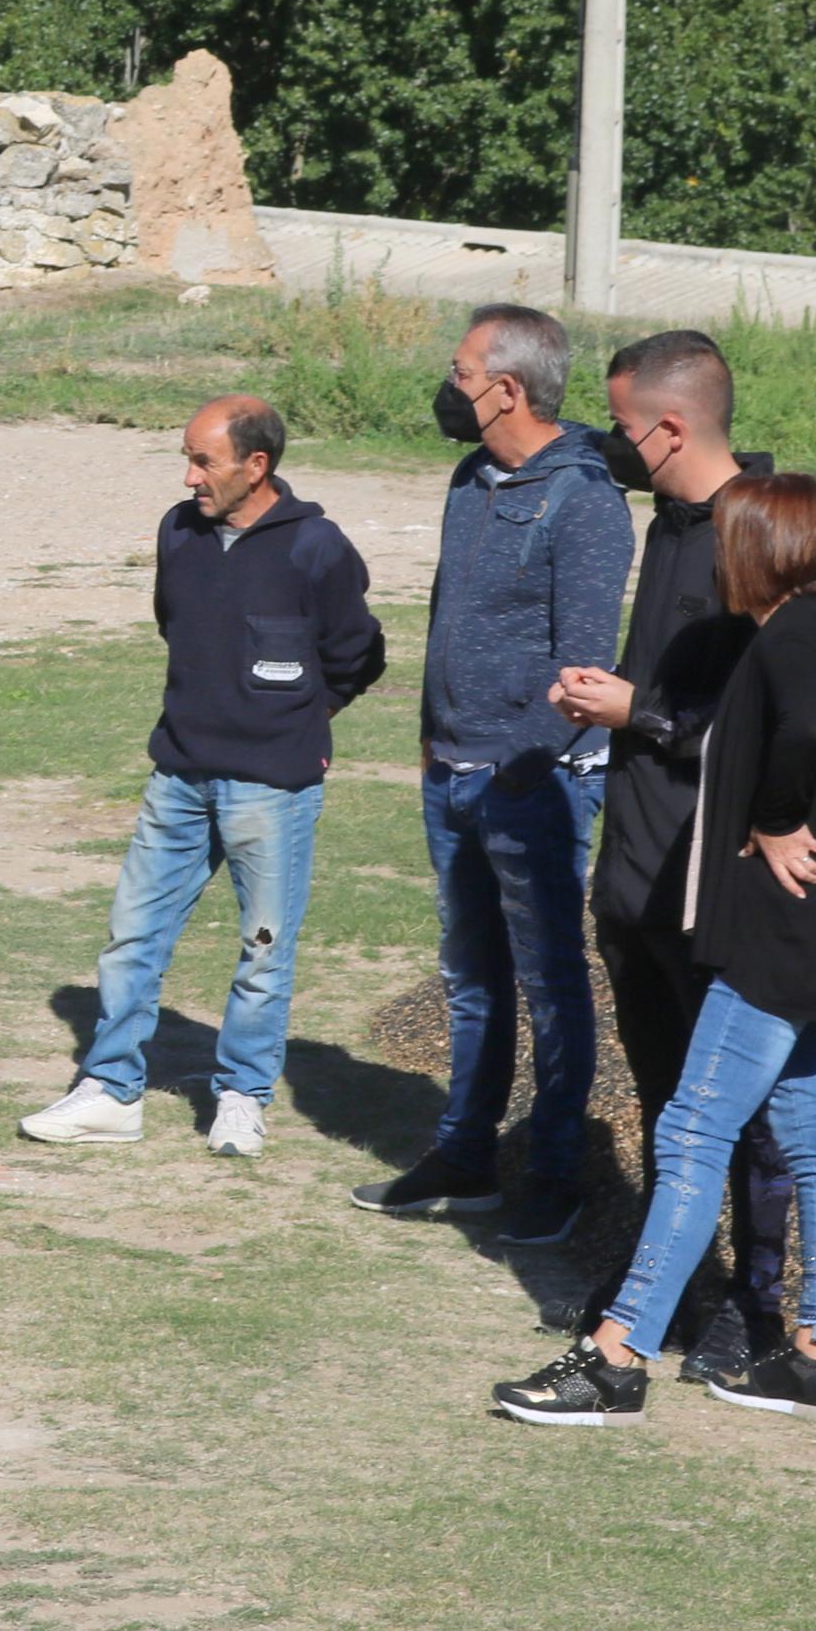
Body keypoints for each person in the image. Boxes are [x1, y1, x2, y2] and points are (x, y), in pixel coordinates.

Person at [499, 473, 816, 1425]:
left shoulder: (787, 643)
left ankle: (614, 1357)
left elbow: (805, 728)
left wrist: (767, 820)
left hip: (775, 939)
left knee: (688, 1132)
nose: (716, 559)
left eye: (726, 543)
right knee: (813, 1134)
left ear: (757, 549)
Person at [23, 396, 383, 1157]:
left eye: (203, 462)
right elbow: (173, 622)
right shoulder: (178, 532)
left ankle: (242, 1094)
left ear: (257, 467)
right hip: (179, 777)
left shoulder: (316, 547)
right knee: (131, 937)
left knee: (262, 947)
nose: (189, 477)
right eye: (186, 458)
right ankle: (110, 1087)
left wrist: (291, 720)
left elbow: (356, 654)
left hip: (271, 789)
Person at [352, 304, 633, 1243]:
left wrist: (529, 763)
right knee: (470, 977)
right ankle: (465, 1153)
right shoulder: (468, 478)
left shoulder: (585, 501)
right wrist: (434, 732)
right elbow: (446, 612)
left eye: (462, 372)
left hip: (531, 782)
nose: (450, 385)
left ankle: (552, 1170)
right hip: (453, 768)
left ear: (508, 388)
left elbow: (584, 662)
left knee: (550, 979)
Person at [547, 331, 791, 1384]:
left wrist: (630, 707)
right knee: (658, 1097)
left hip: (710, 882)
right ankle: (672, 1280)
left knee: (734, 1112)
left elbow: (763, 724)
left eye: (622, 427)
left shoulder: (757, 538)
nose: (613, 446)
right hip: (633, 874)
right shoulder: (669, 521)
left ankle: (754, 1307)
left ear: (673, 426)